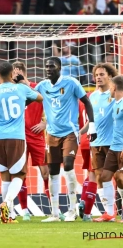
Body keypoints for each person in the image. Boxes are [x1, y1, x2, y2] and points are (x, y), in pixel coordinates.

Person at [0, 62, 43, 223]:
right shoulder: (21, 89)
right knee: (20, 174)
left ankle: (10, 214)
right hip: (16, 137)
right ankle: (6, 203)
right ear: (11, 73)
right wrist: (22, 82)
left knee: (5, 175)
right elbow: (40, 97)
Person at [35, 57, 97, 222]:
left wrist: (92, 125)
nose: (48, 69)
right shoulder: (42, 86)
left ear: (59, 68)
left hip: (70, 132)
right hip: (51, 134)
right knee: (53, 171)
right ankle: (55, 213)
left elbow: (87, 103)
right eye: (46, 66)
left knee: (68, 164)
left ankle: (72, 209)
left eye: (52, 66)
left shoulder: (71, 83)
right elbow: (28, 99)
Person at [79, 63, 117, 221]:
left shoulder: (115, 95)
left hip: (114, 142)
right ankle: (109, 213)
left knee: (119, 177)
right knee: (101, 177)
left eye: (102, 74)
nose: (98, 78)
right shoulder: (92, 96)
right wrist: (79, 133)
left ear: (109, 76)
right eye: (96, 75)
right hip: (96, 143)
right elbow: (91, 122)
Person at [12, 61, 50, 221]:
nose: (13, 76)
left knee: (46, 172)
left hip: (37, 137)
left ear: (21, 71)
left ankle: (55, 208)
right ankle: (24, 210)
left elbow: (52, 105)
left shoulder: (36, 87)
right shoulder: (12, 91)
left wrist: (45, 123)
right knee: (21, 173)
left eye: (15, 72)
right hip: (19, 137)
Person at [93, 75, 123, 223]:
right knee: (105, 176)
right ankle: (109, 213)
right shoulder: (116, 103)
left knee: (120, 178)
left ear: (115, 88)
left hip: (122, 147)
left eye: (111, 86)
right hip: (114, 146)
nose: (109, 89)